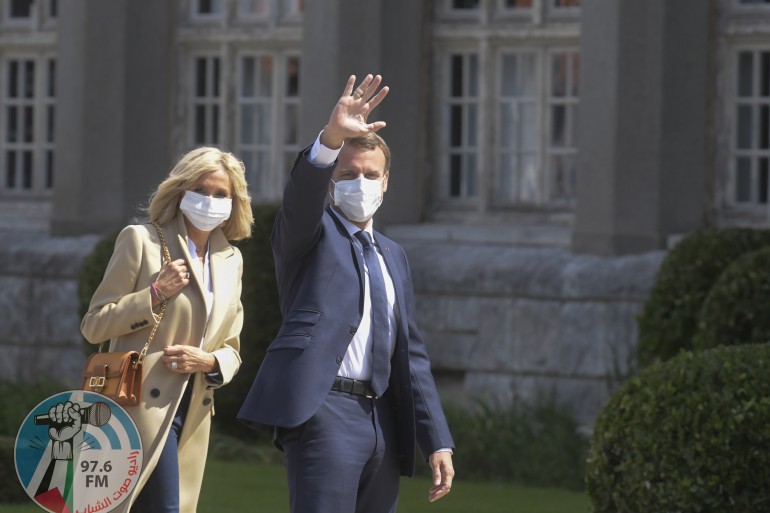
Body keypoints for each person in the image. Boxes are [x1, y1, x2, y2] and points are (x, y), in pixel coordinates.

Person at [238, 74, 455, 513]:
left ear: (386, 182)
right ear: (333, 181)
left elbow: (411, 355)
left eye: (370, 175)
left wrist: (437, 439)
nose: (361, 183)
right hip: (325, 409)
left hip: (383, 420)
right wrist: (330, 140)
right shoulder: (312, 235)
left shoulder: (393, 255)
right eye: (349, 174)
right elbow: (301, 201)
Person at [81, 147, 254, 513]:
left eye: (220, 194)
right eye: (201, 191)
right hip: (138, 406)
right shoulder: (141, 240)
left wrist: (208, 360)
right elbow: (94, 324)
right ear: (179, 192)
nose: (210, 201)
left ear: (234, 201)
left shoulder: (231, 260)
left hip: (193, 410)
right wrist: (155, 293)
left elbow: (232, 348)